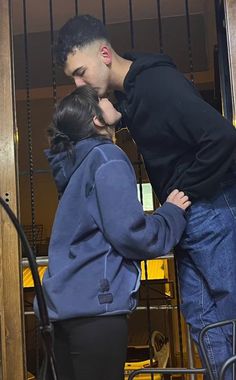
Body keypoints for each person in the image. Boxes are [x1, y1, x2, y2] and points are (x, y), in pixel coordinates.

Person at [54, 15, 236, 379]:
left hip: (209, 207)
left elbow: (223, 138)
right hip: (187, 214)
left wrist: (180, 192)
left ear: (104, 53)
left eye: (80, 71)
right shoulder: (126, 97)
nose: (78, 84)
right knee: (202, 318)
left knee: (227, 315)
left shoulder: (155, 84)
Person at [38, 85, 190, 380]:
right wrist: (171, 214)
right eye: (102, 99)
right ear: (96, 119)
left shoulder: (75, 167)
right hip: (98, 308)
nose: (109, 99)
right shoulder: (108, 157)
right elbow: (131, 234)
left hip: (61, 311)